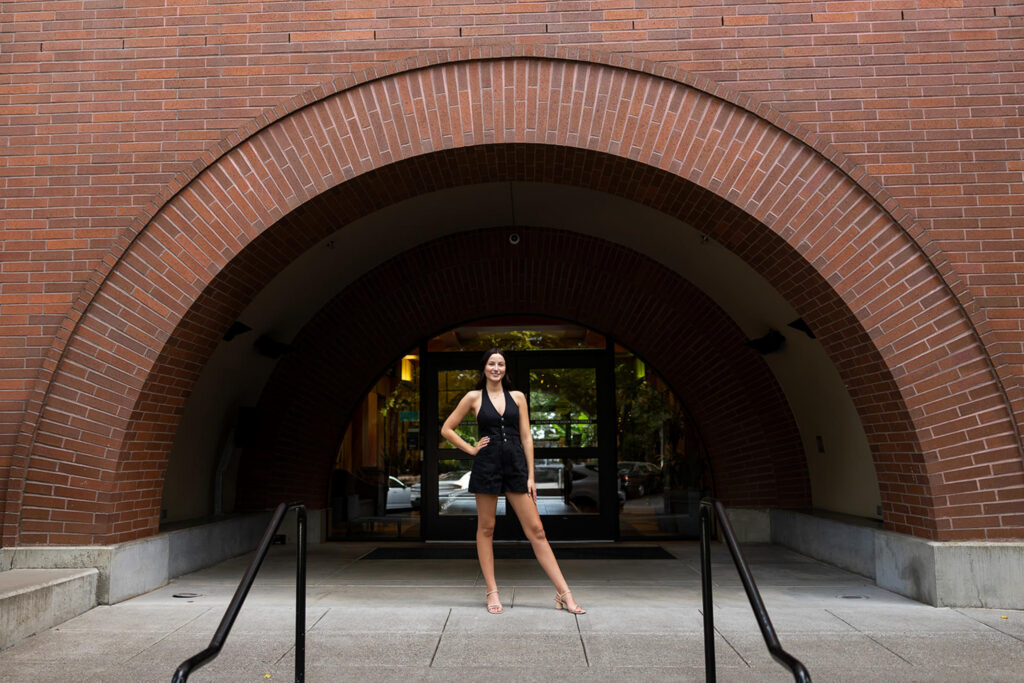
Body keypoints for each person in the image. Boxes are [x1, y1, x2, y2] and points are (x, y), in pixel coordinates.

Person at [441, 348, 585, 615]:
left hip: (516, 468)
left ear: (505, 369)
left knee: (537, 530)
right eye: (492, 363)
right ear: (484, 367)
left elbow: (526, 437)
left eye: (501, 364)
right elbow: (447, 428)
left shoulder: (518, 397)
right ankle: (492, 591)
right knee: (486, 529)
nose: (497, 368)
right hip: (487, 467)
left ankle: (564, 593)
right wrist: (471, 449)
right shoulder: (473, 397)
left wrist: (531, 476)